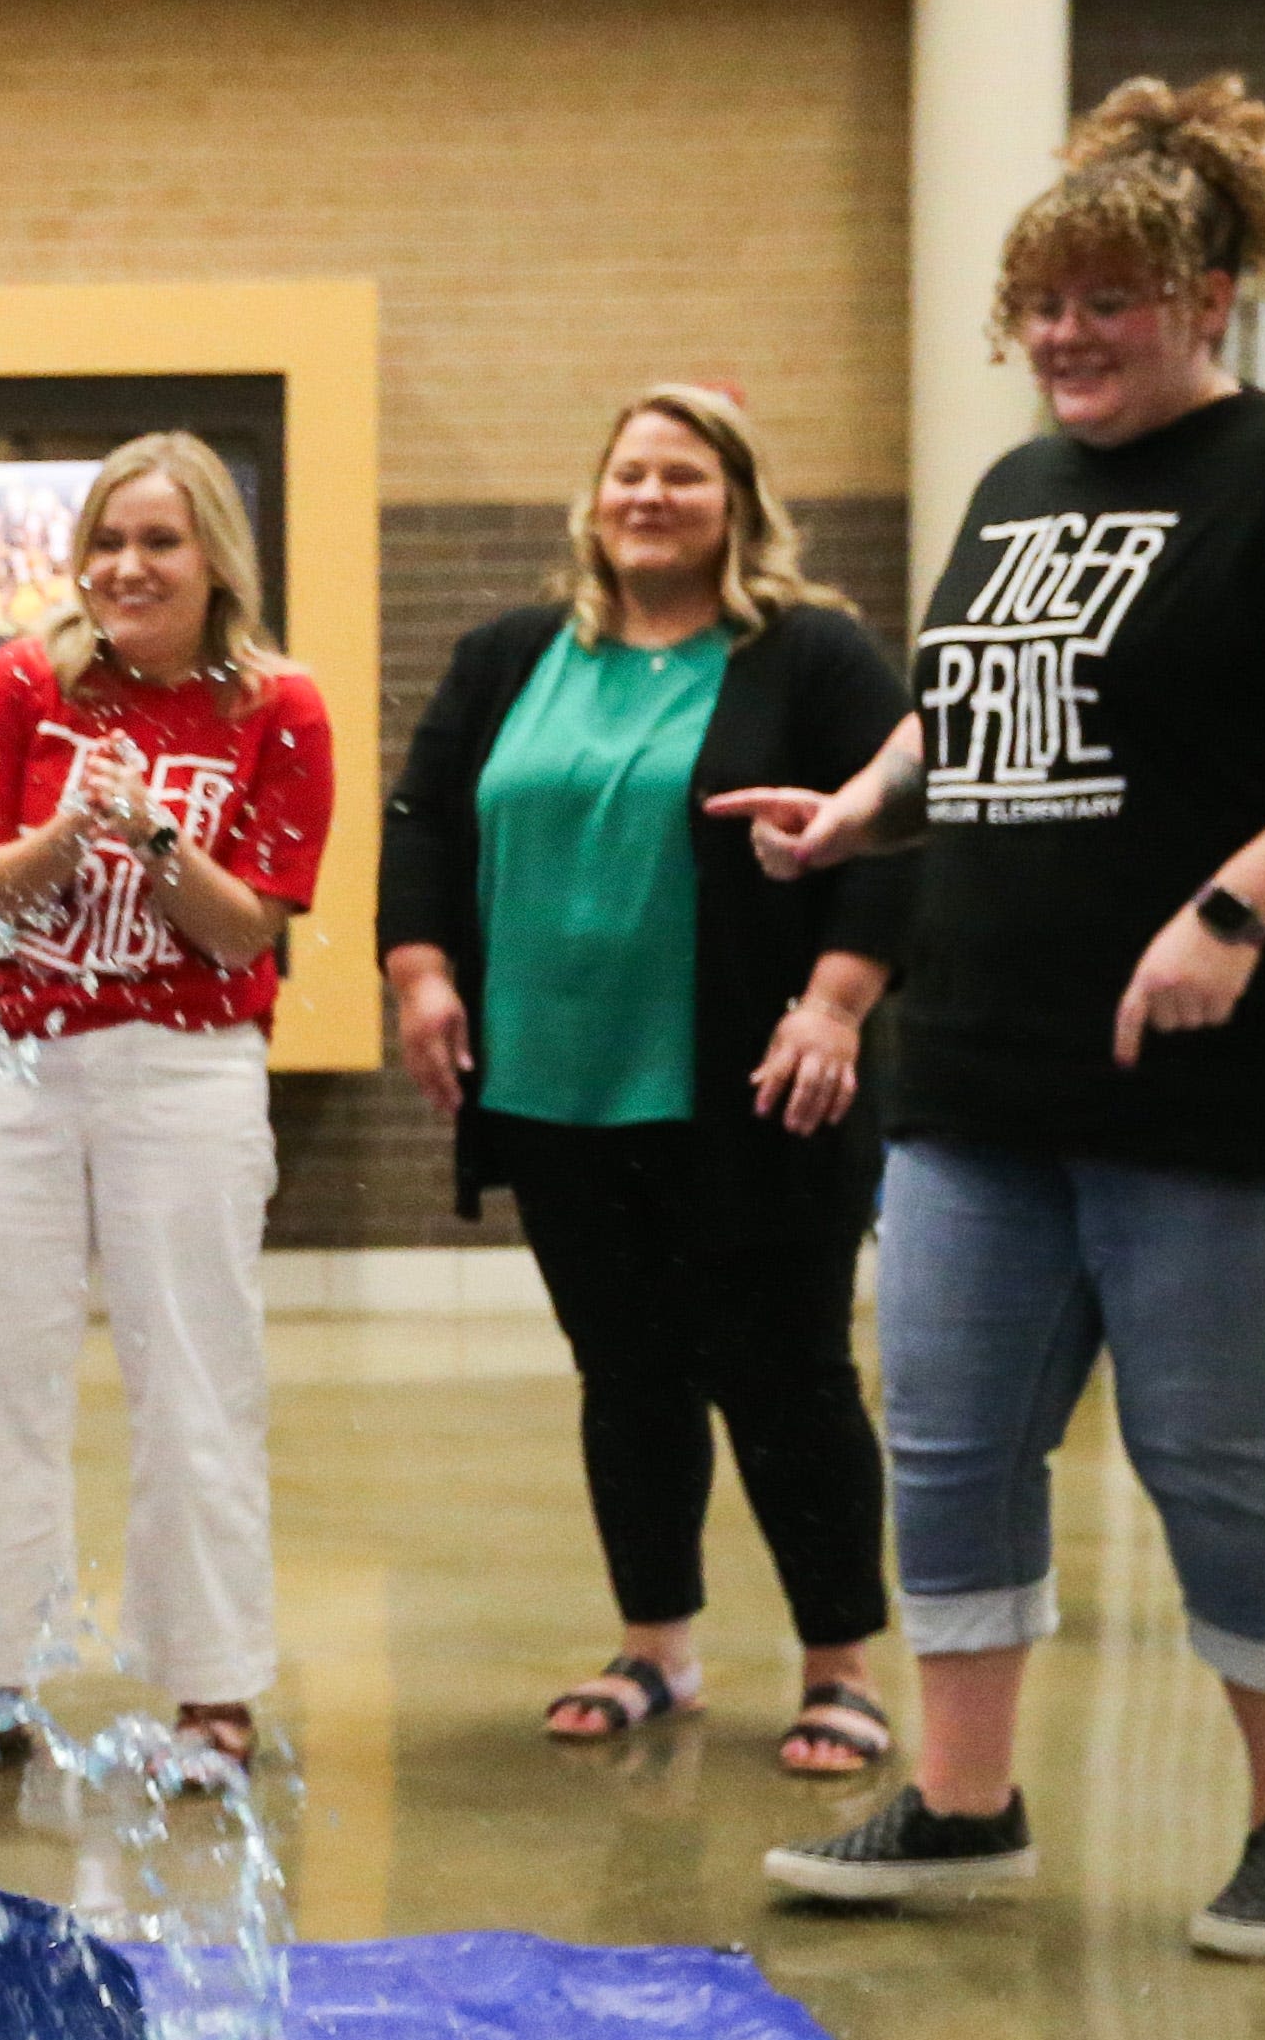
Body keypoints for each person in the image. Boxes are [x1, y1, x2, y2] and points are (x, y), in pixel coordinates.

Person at [719, 74, 1265, 1961]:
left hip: (1244, 1081)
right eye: (1043, 305)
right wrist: (859, 809)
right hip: (986, 1072)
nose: (1066, 337)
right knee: (954, 1436)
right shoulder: (1013, 489)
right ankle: (966, 1805)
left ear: (1211, 297)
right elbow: (970, 706)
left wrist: (1235, 908)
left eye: (1109, 301)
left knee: (1223, 1457)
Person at [379, 387, 912, 1776]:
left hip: (749, 1086)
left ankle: (838, 1668)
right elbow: (425, 811)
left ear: (735, 500)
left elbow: (902, 835)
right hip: (555, 1089)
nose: (650, 495)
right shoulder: (512, 653)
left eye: (683, 474)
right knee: (623, 1375)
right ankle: (656, 1647)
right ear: (591, 494)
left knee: (783, 1374)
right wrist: (421, 972)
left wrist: (835, 1003)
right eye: (629, 470)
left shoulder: (810, 655)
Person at [0, 434, 334, 1799]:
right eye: (104, 541)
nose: (124, 568)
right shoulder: (29, 682)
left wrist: (150, 835)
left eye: (157, 541)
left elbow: (239, 926)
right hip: (17, 1071)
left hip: (186, 1069)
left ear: (214, 559)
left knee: (193, 1374)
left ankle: (211, 1693)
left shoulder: (280, 708)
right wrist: (63, 833)